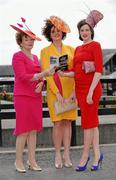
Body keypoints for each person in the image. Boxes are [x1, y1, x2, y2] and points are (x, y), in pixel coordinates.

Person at [59, 10, 104, 171]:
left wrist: (91, 91)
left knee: (87, 123)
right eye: (82, 30)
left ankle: (85, 156)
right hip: (80, 89)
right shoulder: (77, 49)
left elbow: (98, 70)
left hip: (92, 89)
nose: (84, 32)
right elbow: (75, 71)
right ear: (79, 32)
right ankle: (98, 155)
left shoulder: (96, 46)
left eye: (86, 30)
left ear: (91, 31)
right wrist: (62, 72)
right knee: (92, 123)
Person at [10, 17, 51, 173]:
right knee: (23, 130)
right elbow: (22, 76)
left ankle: (32, 161)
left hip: (35, 97)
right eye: (26, 39)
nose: (30, 42)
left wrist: (42, 83)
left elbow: (40, 77)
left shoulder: (35, 58)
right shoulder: (17, 56)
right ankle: (18, 161)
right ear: (20, 41)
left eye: (32, 39)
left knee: (33, 130)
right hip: (22, 97)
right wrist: (42, 74)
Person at [40, 16, 77, 168]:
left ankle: (67, 154)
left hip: (70, 89)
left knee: (68, 123)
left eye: (59, 31)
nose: (56, 33)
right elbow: (46, 75)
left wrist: (74, 91)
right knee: (57, 123)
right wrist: (57, 93)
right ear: (49, 33)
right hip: (55, 91)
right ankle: (57, 155)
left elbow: (76, 71)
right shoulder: (44, 51)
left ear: (63, 32)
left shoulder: (71, 49)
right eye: (53, 31)